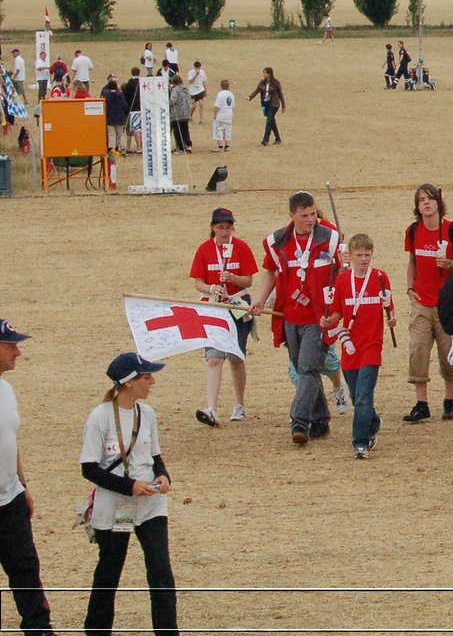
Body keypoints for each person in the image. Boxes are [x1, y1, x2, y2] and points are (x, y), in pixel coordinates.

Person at [80, 353, 177, 636]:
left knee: (161, 573)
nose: (152, 382)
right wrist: (129, 486)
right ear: (128, 383)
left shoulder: (147, 413)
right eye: (147, 377)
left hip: (151, 505)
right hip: (120, 506)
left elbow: (155, 455)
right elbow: (89, 468)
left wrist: (163, 475)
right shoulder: (100, 417)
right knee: (110, 571)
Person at [252, 191, 341, 443]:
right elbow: (270, 271)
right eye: (304, 216)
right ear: (292, 215)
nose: (311, 220)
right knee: (302, 368)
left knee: (308, 367)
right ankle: (321, 418)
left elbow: (342, 271)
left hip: (318, 318)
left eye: (313, 214)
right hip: (289, 316)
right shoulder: (277, 241)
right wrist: (260, 299)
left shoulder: (331, 237)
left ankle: (299, 422)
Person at [0, 318, 57, 636]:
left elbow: (9, 439)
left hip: (10, 499)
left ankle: (39, 631)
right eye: (10, 345)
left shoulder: (6, 390)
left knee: (26, 569)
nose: (18, 352)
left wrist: (23, 486)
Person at [321, 233, 395, 458]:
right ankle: (372, 421)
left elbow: (389, 308)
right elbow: (336, 313)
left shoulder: (381, 277)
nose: (364, 259)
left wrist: (392, 318)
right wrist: (328, 321)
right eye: (359, 255)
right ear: (350, 256)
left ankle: (360, 442)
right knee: (356, 396)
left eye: (367, 254)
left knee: (364, 395)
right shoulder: (343, 281)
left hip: (372, 345)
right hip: (350, 346)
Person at [401, 184, 453, 423]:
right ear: (417, 206)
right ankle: (421, 403)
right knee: (417, 348)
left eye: (430, 199)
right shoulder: (412, 231)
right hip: (421, 301)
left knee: (447, 352)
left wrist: (449, 264)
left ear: (439, 203)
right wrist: (410, 289)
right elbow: (412, 262)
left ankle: (449, 401)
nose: (426, 203)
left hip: (447, 303)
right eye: (421, 200)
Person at [190, 207, 258, 427]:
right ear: (213, 228)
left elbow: (248, 281)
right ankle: (211, 408)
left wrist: (232, 278)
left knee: (236, 358)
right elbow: (197, 281)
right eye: (220, 228)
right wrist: (211, 289)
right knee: (215, 357)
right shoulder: (204, 250)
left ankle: (239, 403)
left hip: (237, 308)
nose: (225, 232)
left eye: (228, 228)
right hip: (212, 309)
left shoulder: (242, 247)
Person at [246, 67, 285, 146]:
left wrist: (283, 106)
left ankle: (265, 140)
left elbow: (280, 94)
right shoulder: (262, 83)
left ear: (269, 74)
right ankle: (278, 138)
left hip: (274, 104)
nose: (263, 74)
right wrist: (250, 97)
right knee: (272, 121)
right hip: (266, 104)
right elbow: (257, 90)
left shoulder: (276, 83)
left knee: (269, 121)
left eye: (265, 73)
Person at [101, 75, 128, 153]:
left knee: (111, 135)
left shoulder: (107, 96)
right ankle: (122, 149)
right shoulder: (120, 95)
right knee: (121, 134)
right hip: (120, 117)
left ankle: (112, 149)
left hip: (110, 118)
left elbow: (106, 107)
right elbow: (125, 106)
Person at [167, 77, 193, 154]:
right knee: (185, 130)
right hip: (186, 113)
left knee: (177, 131)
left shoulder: (175, 90)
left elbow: (173, 100)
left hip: (177, 114)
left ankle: (180, 148)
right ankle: (188, 145)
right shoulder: (187, 90)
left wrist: (166, 104)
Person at [211, 79, 235, 152]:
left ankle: (220, 146)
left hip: (221, 115)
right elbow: (233, 105)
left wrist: (215, 115)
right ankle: (227, 146)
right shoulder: (231, 94)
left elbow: (217, 106)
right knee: (228, 130)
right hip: (229, 115)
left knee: (219, 130)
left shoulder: (220, 94)